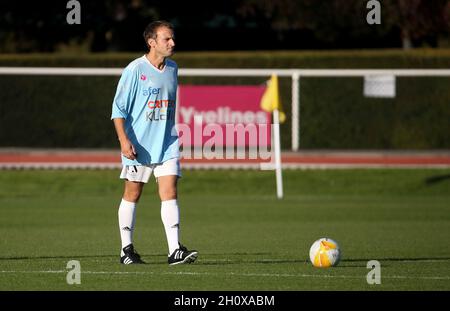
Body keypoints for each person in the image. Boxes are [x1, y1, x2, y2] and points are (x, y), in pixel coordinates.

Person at [111, 20, 198, 265]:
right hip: (139, 145)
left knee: (170, 191)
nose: (172, 43)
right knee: (133, 193)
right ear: (152, 42)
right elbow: (118, 110)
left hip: (167, 143)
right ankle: (126, 250)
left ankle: (175, 251)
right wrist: (124, 141)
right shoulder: (134, 70)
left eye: (172, 38)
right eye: (166, 39)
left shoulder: (173, 68)